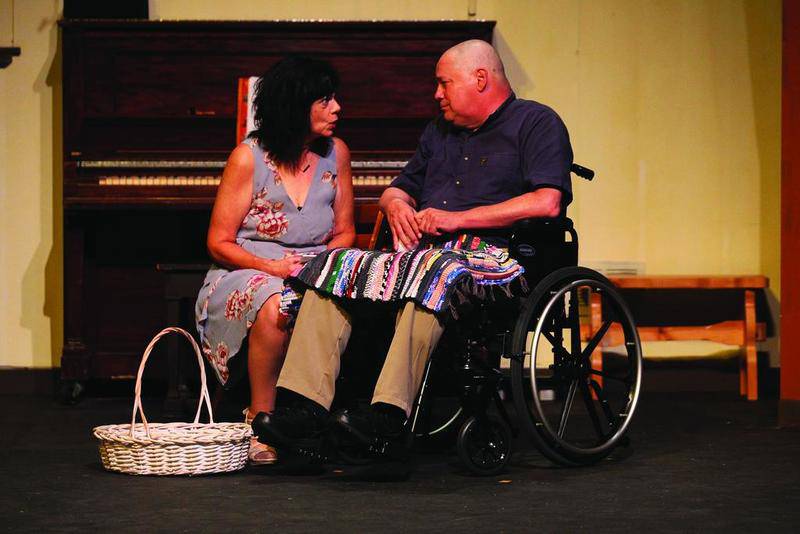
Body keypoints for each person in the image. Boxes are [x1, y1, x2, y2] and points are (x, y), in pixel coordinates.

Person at [253, 39, 573, 452]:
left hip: (495, 258)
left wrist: (457, 219)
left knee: (435, 271)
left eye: (443, 83)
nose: (436, 94)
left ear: (480, 79)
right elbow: (395, 191)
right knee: (337, 265)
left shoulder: (536, 123)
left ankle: (388, 414)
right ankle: (305, 409)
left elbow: (547, 201)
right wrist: (398, 205)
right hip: (425, 255)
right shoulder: (439, 132)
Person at [195, 56, 355, 465]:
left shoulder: (336, 154)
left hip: (315, 267)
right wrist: (274, 269)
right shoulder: (249, 158)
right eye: (324, 100)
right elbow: (218, 242)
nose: (337, 108)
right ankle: (260, 418)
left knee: (339, 300)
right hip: (248, 268)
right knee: (275, 304)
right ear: (294, 106)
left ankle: (316, 421)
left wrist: (325, 268)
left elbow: (345, 232)